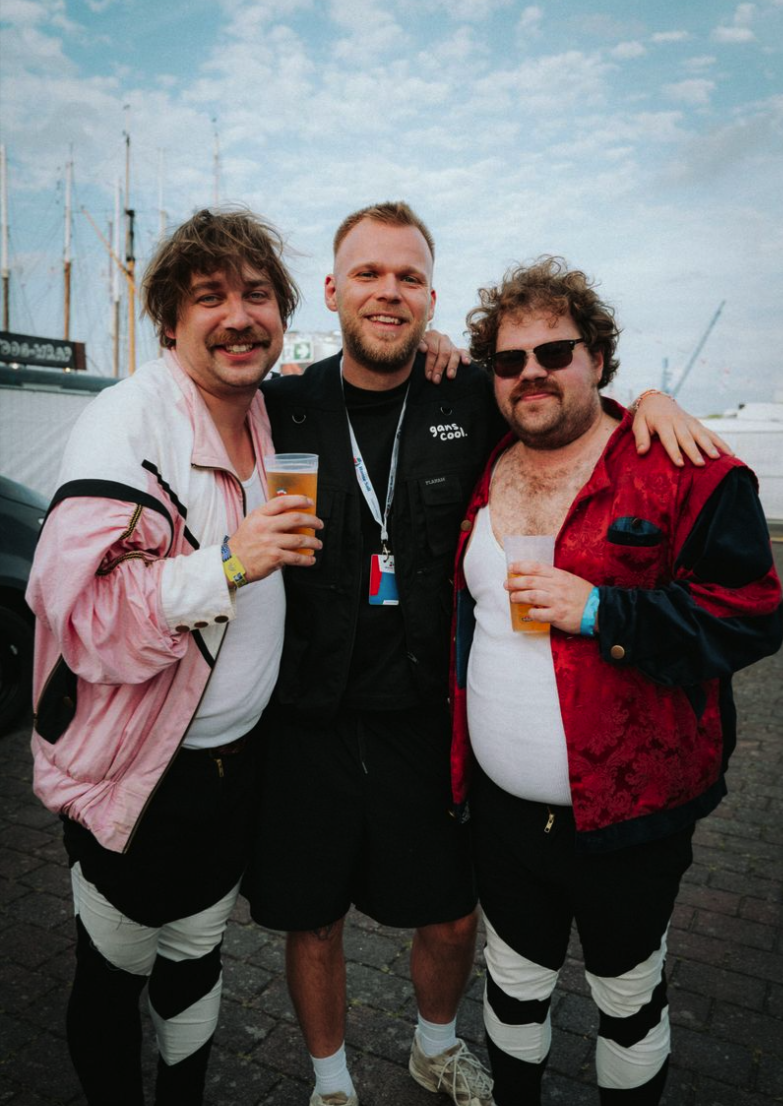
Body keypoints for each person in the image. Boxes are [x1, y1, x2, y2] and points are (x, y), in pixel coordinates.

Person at [242, 203, 729, 1106]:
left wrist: (647, 403)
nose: (388, 292)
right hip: (304, 715)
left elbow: (564, 409)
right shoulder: (280, 406)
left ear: (430, 294)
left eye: (408, 277)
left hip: (427, 720)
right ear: (332, 290)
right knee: (310, 918)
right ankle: (329, 1084)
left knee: (452, 912)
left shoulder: (469, 394)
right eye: (368, 274)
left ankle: (433, 1048)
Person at [449, 256, 783, 1105]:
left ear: (596, 356)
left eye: (553, 352)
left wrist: (604, 614)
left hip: (633, 815)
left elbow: (753, 613)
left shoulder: (683, 468)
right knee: (512, 982)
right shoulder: (481, 469)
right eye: (508, 359)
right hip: (503, 811)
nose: (530, 372)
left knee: (626, 1000)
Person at [26, 208, 322, 1106]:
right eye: (210, 297)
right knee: (115, 968)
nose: (240, 316)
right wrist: (230, 562)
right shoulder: (128, 419)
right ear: (169, 320)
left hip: (237, 767)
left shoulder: (267, 412)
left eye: (258, 295)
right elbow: (81, 618)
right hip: (143, 771)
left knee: (196, 956)